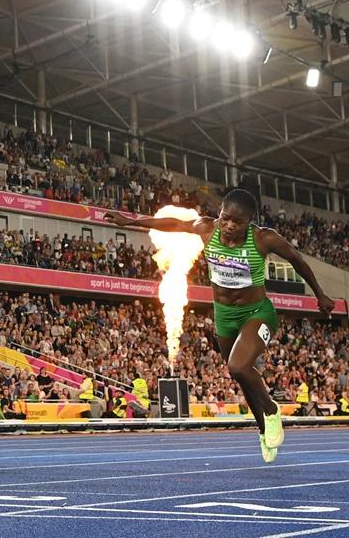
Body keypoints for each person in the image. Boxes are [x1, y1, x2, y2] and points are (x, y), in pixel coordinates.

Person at [106, 188, 336, 464]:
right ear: (220, 214)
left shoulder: (264, 238)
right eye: (225, 218)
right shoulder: (206, 228)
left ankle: (272, 410)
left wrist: (319, 294)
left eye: (237, 222)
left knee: (238, 366)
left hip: (257, 313)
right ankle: (263, 431)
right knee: (242, 377)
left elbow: (296, 261)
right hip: (224, 315)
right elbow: (172, 224)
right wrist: (129, 221)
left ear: (250, 221)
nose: (229, 226)